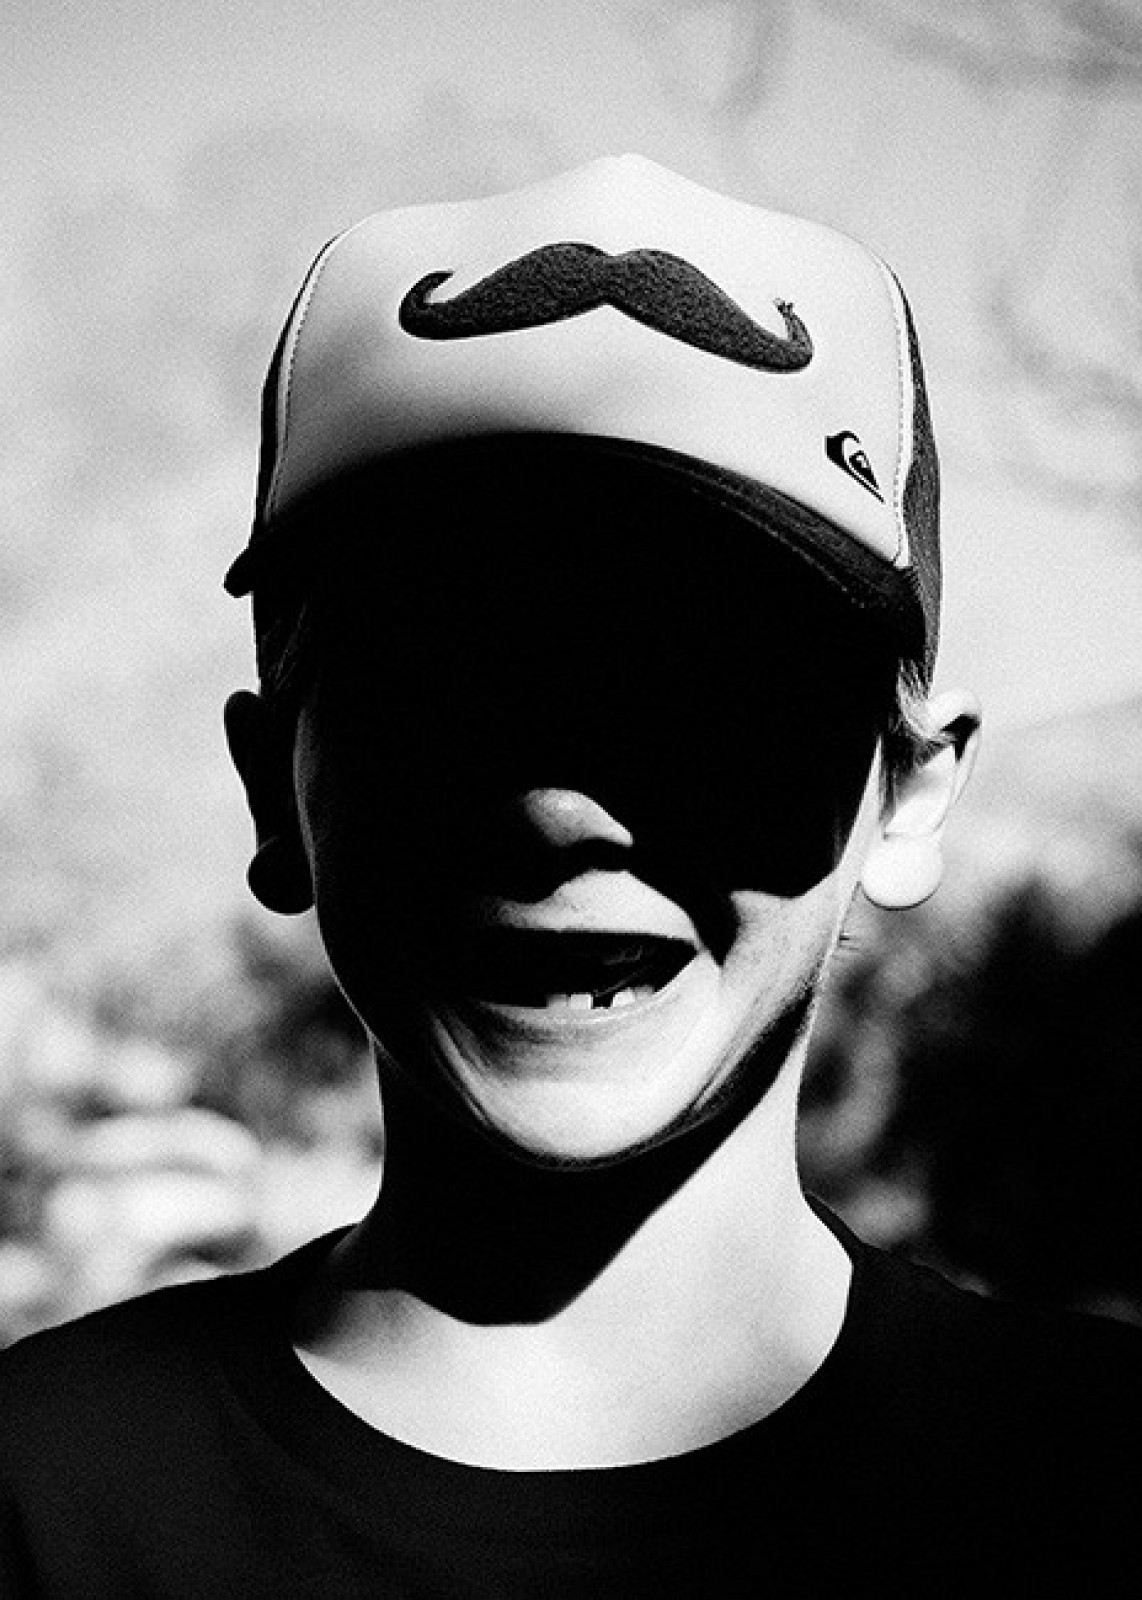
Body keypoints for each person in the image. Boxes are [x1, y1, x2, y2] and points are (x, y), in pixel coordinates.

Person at [1, 153, 1138, 1597]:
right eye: (441, 678)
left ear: (908, 791)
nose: (561, 813)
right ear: (272, 787)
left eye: (706, 687)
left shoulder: (1098, 1490)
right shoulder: (42, 1506)